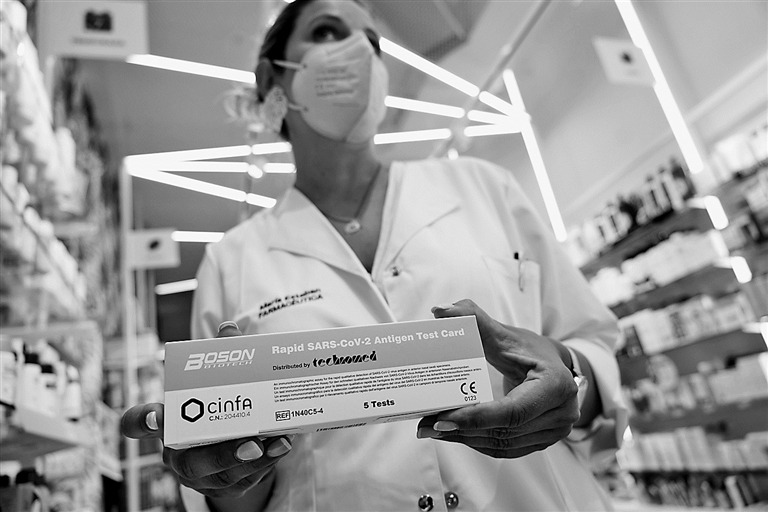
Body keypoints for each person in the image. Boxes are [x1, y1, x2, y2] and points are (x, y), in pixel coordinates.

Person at [121, 0, 628, 510]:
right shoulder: (233, 260)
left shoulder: (483, 187)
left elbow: (594, 344)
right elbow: (235, 486)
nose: (358, 50)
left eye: (372, 41)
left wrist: (571, 375)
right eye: (327, 30)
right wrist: (224, 475)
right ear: (273, 78)